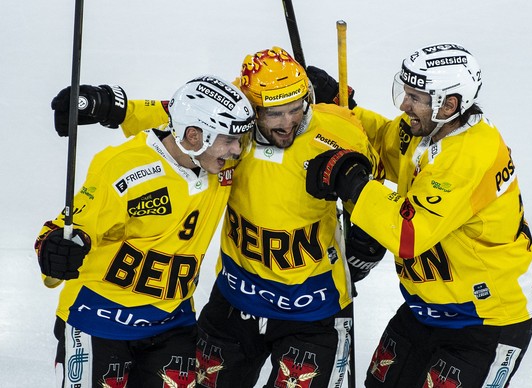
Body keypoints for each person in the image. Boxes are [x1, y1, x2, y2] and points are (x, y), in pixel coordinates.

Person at [49, 47, 386, 387]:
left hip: (314, 306)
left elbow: (379, 164)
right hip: (236, 300)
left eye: (296, 108)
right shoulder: (227, 140)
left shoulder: (337, 129)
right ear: (250, 107)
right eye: (274, 114)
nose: (288, 124)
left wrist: (369, 234)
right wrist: (114, 107)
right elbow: (179, 118)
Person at [305, 43, 532, 387]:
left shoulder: (469, 156)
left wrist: (352, 183)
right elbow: (385, 141)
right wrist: (345, 112)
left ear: (449, 104)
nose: (404, 104)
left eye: (416, 97)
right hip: (427, 307)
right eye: (406, 92)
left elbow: (408, 234)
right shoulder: (426, 130)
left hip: (487, 321)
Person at [35, 75, 255, 387]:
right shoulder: (123, 167)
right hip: (98, 318)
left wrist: (115, 108)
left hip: (170, 323)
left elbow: (175, 111)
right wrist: (56, 251)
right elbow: (64, 232)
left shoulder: (219, 163)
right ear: (195, 136)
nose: (237, 150)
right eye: (229, 140)